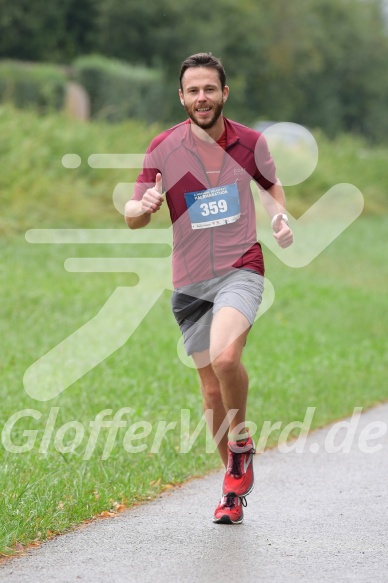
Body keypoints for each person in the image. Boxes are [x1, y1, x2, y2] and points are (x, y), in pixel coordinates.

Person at [125, 52, 293, 524]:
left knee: (225, 358)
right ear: (181, 97)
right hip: (190, 279)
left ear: (224, 93)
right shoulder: (162, 148)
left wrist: (279, 217)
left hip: (241, 267)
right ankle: (233, 490)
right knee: (210, 394)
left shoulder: (252, 142)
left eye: (209, 89)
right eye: (193, 90)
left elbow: (272, 186)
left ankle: (240, 447)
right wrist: (146, 205)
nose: (202, 97)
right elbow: (132, 217)